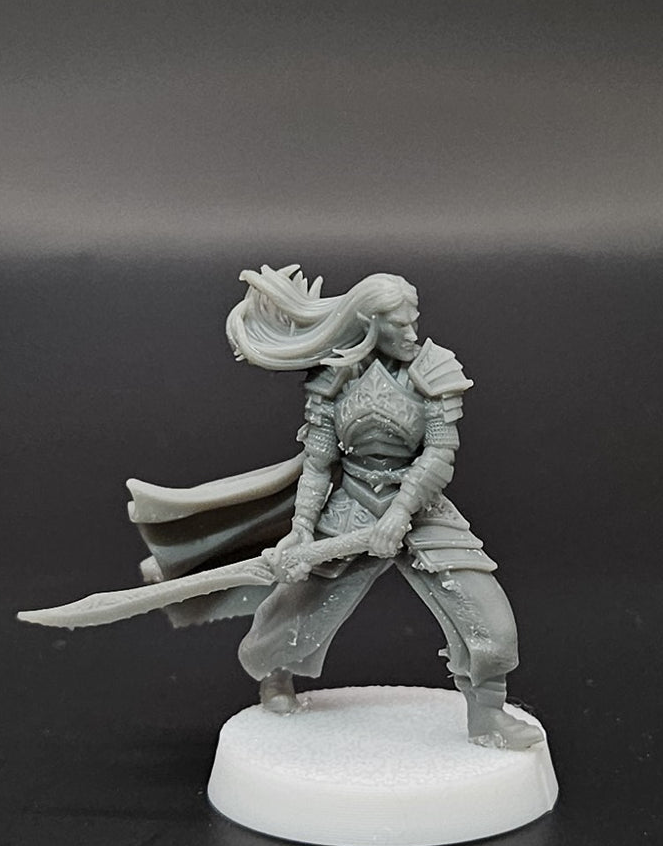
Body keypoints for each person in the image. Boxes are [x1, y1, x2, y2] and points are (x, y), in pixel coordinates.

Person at [222, 265, 542, 750]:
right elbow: (319, 462)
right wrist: (302, 528)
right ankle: (275, 674)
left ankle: (488, 715)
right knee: (294, 606)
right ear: (369, 324)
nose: (411, 332)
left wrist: (400, 512)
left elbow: (439, 455)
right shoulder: (334, 376)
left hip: (420, 506)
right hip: (351, 504)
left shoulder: (434, 369)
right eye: (399, 324)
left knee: (486, 616)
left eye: (414, 320)